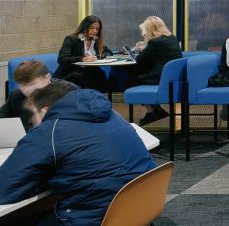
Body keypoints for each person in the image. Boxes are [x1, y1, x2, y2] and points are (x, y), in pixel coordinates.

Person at [0, 83, 155, 225]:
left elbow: (5, 188)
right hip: (139, 207)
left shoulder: (50, 130)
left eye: (33, 116)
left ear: (45, 111)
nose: (32, 122)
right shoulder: (112, 115)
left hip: (93, 217)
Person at [126, 16, 183, 127]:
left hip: (160, 78)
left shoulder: (154, 43)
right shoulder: (172, 38)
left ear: (149, 30)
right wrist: (145, 48)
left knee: (129, 80)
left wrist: (137, 50)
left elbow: (139, 60)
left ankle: (153, 109)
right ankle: (154, 110)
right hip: (173, 78)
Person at [0, 60, 75, 130]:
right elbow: (2, 116)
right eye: (22, 85)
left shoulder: (67, 92)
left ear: (47, 77)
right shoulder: (16, 95)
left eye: (32, 84)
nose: (26, 90)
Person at [53, 15, 112, 91]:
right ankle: (92, 100)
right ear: (84, 27)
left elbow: (109, 52)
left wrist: (98, 57)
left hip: (86, 74)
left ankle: (98, 99)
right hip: (69, 75)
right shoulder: (72, 39)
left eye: (97, 29)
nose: (94, 31)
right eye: (91, 28)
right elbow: (61, 59)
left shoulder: (95, 41)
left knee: (99, 74)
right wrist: (82, 59)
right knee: (91, 76)